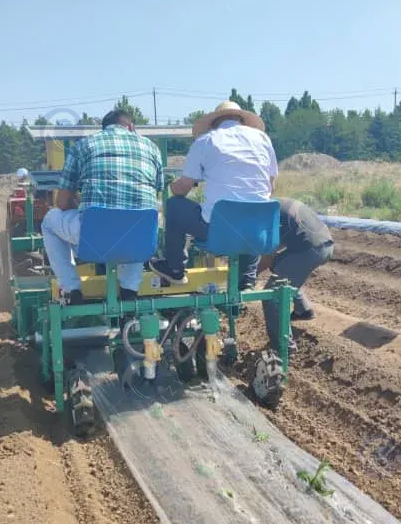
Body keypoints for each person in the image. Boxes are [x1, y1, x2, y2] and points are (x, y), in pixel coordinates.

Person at [148, 101, 278, 287]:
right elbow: (271, 186)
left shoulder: (206, 141)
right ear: (241, 119)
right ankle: (247, 277)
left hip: (218, 232)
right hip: (258, 233)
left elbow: (182, 188)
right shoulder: (263, 139)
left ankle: (175, 268)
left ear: (215, 122)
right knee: (253, 207)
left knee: (175, 205)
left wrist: (175, 185)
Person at [41, 110, 163, 304]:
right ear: (131, 127)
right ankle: (129, 290)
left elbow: (62, 203)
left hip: (94, 240)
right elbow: (153, 194)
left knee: (49, 221)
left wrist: (78, 202)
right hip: (138, 241)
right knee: (140, 218)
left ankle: (72, 290)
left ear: (105, 127)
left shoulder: (84, 145)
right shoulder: (152, 148)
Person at [258, 198, 334, 352]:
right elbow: (281, 244)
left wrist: (248, 276)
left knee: (272, 295)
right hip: (326, 244)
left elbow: (268, 255)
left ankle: (283, 346)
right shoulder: (280, 205)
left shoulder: (268, 214)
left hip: (308, 250)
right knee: (281, 267)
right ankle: (303, 310)